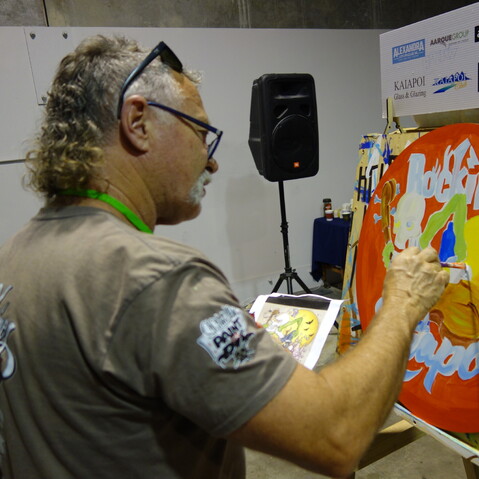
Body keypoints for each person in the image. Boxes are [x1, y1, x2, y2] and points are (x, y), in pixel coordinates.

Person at [0, 35, 449, 479]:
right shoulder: (158, 279)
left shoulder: (14, 256)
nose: (211, 161)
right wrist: (404, 302)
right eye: (200, 133)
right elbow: (336, 434)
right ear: (137, 123)